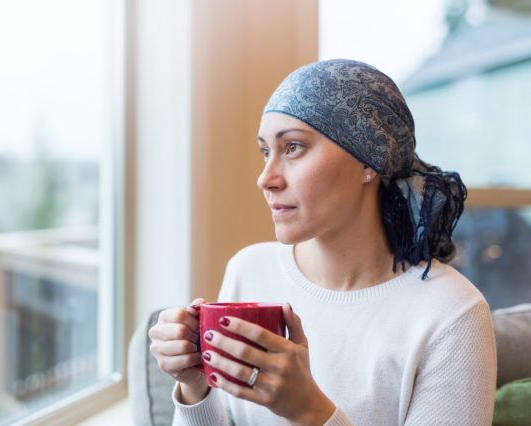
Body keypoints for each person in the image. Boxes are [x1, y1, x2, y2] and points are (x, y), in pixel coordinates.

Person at [148, 59, 497, 425]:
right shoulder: (249, 270)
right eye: (266, 151)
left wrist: (309, 411)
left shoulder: (453, 314)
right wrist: (194, 389)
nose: (265, 179)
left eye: (294, 147)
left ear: (369, 160)